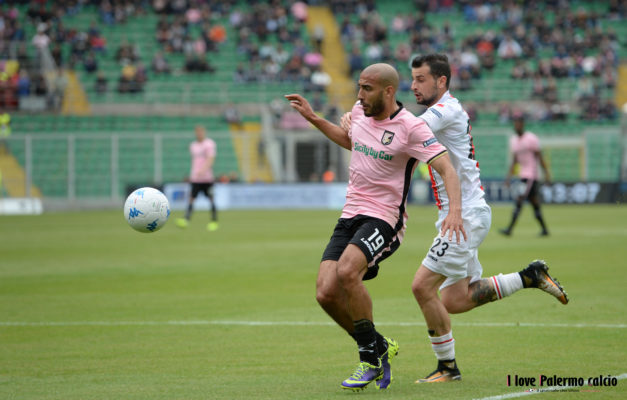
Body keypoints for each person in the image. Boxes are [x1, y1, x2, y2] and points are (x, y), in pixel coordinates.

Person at [341, 54, 568, 384]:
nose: (414, 86)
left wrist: (358, 119)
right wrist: (360, 117)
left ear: (442, 81)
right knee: (455, 299)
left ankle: (448, 367)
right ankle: (529, 277)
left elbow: (406, 129)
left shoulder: (446, 110)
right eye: (412, 79)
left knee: (421, 287)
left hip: (464, 214)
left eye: (421, 79)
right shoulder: (441, 110)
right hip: (461, 213)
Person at [285, 62, 466, 391]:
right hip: (350, 215)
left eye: (367, 89)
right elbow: (351, 141)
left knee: (347, 272)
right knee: (325, 293)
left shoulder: (410, 128)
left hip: (384, 218)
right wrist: (313, 118)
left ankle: (369, 360)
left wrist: (455, 211)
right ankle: (380, 346)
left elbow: (447, 169)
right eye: (359, 87)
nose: (359, 95)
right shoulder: (359, 112)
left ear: (388, 91)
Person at [500, 115, 551, 236]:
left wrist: (546, 173)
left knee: (520, 199)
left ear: (523, 125)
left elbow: (540, 157)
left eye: (518, 124)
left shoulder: (531, 138)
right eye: (515, 124)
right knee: (534, 203)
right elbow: (514, 161)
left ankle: (509, 229)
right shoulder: (513, 140)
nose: (516, 126)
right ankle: (544, 230)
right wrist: (508, 178)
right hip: (523, 175)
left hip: (531, 175)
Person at [176, 125, 218, 231]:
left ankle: (214, 221)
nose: (199, 134)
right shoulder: (193, 145)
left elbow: (211, 159)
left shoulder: (209, 144)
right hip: (195, 178)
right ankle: (186, 219)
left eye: (201, 132)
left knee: (211, 199)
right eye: (197, 132)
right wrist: (195, 173)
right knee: (191, 198)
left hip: (207, 178)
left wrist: (203, 170)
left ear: (204, 132)